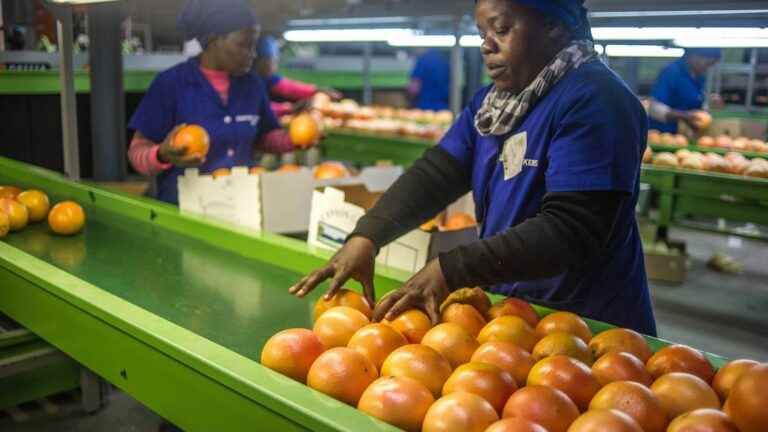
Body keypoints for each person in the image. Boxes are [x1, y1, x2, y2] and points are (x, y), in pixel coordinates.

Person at [291, 0, 657, 336]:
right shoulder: (492, 106)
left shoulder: (597, 100)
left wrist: (451, 268)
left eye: (501, 29)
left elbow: (572, 229)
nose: (486, 46)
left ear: (553, 27)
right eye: (483, 33)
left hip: (586, 325)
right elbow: (438, 173)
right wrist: (367, 236)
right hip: (510, 317)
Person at [127, 0, 295, 205]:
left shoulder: (253, 84)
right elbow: (137, 152)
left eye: (254, 45)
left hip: (242, 207)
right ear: (214, 39)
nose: (253, 54)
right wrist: (162, 154)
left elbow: (263, 138)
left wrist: (294, 138)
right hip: (185, 212)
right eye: (244, 44)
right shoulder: (171, 84)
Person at [254, 35, 341, 118]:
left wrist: (316, 90)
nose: (275, 66)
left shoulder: (267, 77)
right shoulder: (247, 81)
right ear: (259, 61)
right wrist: (289, 109)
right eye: (273, 61)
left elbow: (287, 87)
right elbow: (256, 108)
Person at [648, 48, 722, 133]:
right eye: (707, 63)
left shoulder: (699, 77)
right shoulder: (671, 72)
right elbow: (654, 109)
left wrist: (709, 104)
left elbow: (694, 104)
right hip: (661, 134)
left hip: (682, 136)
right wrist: (684, 116)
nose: (707, 68)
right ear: (694, 56)